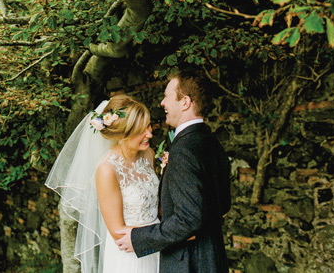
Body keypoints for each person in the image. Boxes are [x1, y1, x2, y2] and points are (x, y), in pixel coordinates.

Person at [114, 70, 231, 273]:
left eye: (167, 96)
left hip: (188, 263)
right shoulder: (211, 142)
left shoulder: (183, 150)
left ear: (185, 102)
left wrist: (140, 239)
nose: (162, 103)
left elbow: (189, 218)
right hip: (213, 257)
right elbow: (223, 203)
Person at [46, 94, 160, 273]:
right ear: (123, 134)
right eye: (141, 131)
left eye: (149, 126)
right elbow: (117, 232)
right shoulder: (107, 170)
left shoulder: (149, 154)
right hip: (132, 256)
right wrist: (164, 236)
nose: (150, 134)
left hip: (159, 245)